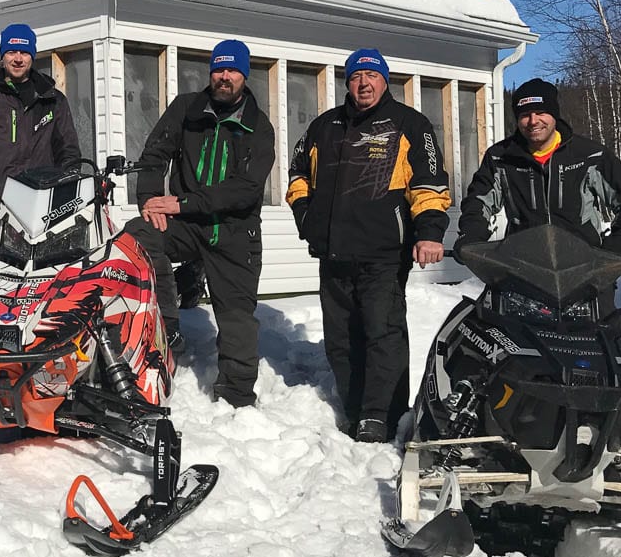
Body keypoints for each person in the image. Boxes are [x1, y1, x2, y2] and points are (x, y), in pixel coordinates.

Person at [286, 48, 449, 443]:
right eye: (357, 76)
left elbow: (429, 185)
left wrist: (429, 232)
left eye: (372, 76)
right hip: (333, 254)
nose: (364, 83)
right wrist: (307, 219)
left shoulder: (410, 124)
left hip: (384, 254)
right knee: (341, 338)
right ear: (348, 82)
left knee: (383, 334)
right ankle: (356, 407)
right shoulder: (325, 126)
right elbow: (297, 176)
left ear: (384, 80)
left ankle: (383, 415)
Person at [130, 39, 276, 409]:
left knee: (237, 318)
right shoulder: (187, 108)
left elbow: (243, 191)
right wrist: (149, 201)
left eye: (232, 70)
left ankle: (236, 395)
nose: (224, 77)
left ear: (244, 75)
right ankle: (168, 323)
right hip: (186, 225)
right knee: (137, 237)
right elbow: (154, 154)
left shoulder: (259, 126)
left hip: (233, 232)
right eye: (219, 69)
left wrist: (181, 203)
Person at [454, 77, 621, 307]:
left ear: (554, 114)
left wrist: (618, 249)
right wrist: (472, 236)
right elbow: (478, 202)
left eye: (540, 112)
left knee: (603, 336)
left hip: (586, 272)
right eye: (525, 115)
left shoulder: (590, 156)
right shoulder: (500, 157)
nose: (533, 121)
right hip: (521, 271)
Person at [0, 23, 81, 227]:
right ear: (3, 56)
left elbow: (69, 155)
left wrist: (65, 196)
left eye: (24, 52)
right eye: (11, 51)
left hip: (43, 211)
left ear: (32, 56)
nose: (18, 59)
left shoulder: (54, 101)